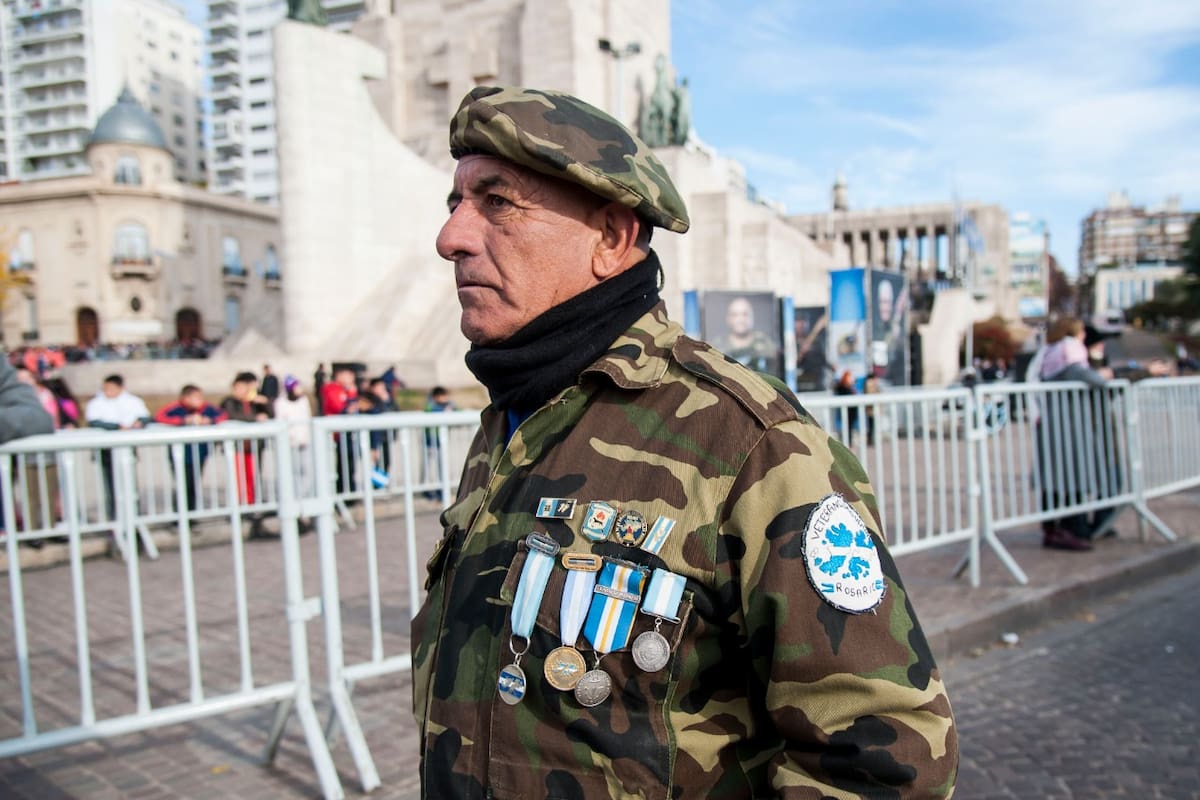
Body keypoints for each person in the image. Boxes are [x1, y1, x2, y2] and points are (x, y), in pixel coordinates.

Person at [412, 86, 957, 799]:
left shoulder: (746, 439)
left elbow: (886, 756)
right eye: (454, 204)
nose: (451, 236)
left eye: (497, 202)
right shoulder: (513, 418)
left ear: (611, 237)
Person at [1035, 318, 1112, 551]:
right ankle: (1066, 529)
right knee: (1069, 476)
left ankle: (1056, 528)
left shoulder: (1049, 352)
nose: (1083, 337)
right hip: (1066, 426)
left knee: (1056, 478)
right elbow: (1094, 379)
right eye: (1080, 333)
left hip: (1054, 423)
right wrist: (1106, 375)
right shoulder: (1067, 353)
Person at [85, 374, 151, 520]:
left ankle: (134, 516)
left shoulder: (133, 401)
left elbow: (146, 417)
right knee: (111, 485)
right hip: (106, 449)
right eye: (106, 388)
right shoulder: (96, 402)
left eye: (111, 388)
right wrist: (116, 427)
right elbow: (93, 422)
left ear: (121, 388)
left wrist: (139, 423)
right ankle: (115, 518)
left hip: (127, 448)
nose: (108, 391)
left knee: (130, 484)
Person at [154, 385, 227, 511]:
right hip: (179, 455)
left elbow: (223, 415)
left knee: (193, 485)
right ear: (185, 398)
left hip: (200, 454)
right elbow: (159, 416)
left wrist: (210, 421)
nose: (200, 400)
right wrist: (183, 421)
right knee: (182, 485)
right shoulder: (176, 408)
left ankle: (191, 515)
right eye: (196, 397)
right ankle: (179, 516)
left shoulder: (206, 408)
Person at [219, 371, 271, 508]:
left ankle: (252, 502)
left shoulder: (254, 403)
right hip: (237, 447)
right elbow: (230, 415)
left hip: (253, 446)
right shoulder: (229, 402)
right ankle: (240, 505)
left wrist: (265, 403)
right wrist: (254, 419)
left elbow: (270, 415)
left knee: (253, 476)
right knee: (238, 478)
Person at [714, 295, 779, 375]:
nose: (740, 319)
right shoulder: (716, 346)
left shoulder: (766, 344)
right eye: (735, 315)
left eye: (745, 314)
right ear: (728, 318)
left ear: (752, 317)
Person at [321, 365, 360, 494]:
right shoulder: (332, 389)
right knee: (342, 465)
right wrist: (351, 393)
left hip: (346, 434)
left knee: (349, 463)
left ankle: (349, 490)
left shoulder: (342, 390)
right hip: (337, 434)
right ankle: (342, 492)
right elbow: (342, 408)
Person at [421, 385, 456, 500]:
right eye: (443, 396)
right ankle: (425, 490)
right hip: (430, 442)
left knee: (442, 466)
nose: (445, 398)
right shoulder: (430, 406)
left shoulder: (449, 405)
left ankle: (441, 490)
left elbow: (457, 410)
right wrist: (444, 410)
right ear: (436, 396)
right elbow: (429, 411)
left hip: (441, 442)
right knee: (427, 467)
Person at [832, 369, 860, 446]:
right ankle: (847, 442)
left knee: (849, 427)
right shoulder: (843, 387)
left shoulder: (850, 387)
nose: (852, 379)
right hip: (847, 411)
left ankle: (848, 441)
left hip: (851, 411)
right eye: (850, 377)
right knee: (846, 427)